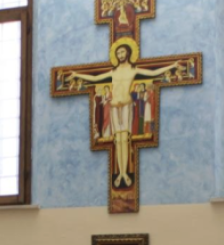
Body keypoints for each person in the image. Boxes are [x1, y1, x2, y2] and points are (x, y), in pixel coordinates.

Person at [68, 41, 185, 187]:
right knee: (118, 141)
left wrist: (172, 66)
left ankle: (124, 172)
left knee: (125, 140)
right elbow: (95, 78)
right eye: (118, 53)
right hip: (114, 107)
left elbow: (154, 73)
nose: (120, 55)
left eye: (122, 52)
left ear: (128, 53)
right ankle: (121, 173)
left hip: (127, 106)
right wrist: (77, 74)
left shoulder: (133, 70)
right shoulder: (113, 72)